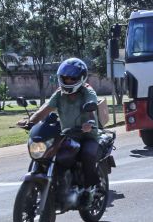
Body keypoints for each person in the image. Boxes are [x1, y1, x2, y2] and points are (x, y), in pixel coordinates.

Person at [23, 58, 101, 208]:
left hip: (86, 135)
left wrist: (89, 124)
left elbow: (92, 109)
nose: (69, 81)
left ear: (81, 78)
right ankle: (56, 186)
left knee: (87, 154)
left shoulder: (87, 92)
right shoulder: (59, 94)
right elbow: (44, 109)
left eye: (73, 78)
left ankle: (88, 189)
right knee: (48, 153)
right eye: (65, 78)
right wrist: (30, 122)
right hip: (66, 134)